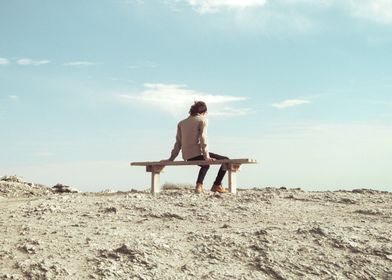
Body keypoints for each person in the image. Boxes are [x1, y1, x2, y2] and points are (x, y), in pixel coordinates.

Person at [165, 101, 229, 194]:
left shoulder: (181, 123)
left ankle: (200, 186)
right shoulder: (202, 119)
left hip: (187, 156)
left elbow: (178, 143)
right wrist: (206, 156)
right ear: (204, 112)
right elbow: (203, 138)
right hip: (198, 153)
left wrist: (171, 158)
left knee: (205, 164)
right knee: (226, 160)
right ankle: (216, 185)